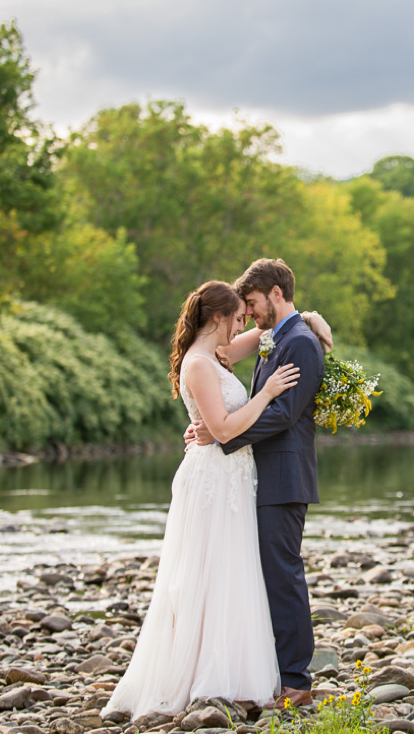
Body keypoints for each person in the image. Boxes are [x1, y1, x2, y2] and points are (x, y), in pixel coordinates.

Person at [102, 280, 330, 721]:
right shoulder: (201, 364)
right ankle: (203, 674)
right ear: (218, 317)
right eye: (239, 316)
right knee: (209, 573)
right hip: (214, 478)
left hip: (236, 478)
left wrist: (308, 319)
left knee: (234, 572)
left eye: (249, 313)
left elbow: (272, 333)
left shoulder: (220, 353)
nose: (244, 322)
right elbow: (223, 429)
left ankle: (241, 673)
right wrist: (264, 393)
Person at [186, 258, 326, 710]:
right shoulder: (279, 337)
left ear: (276, 293)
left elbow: (285, 414)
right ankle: (267, 672)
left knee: (283, 578)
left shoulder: (300, 344)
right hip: (258, 477)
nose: (250, 313)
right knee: (263, 577)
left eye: (253, 302)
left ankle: (296, 681)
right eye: (243, 306)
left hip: (284, 477)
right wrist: (216, 425)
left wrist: (222, 433)